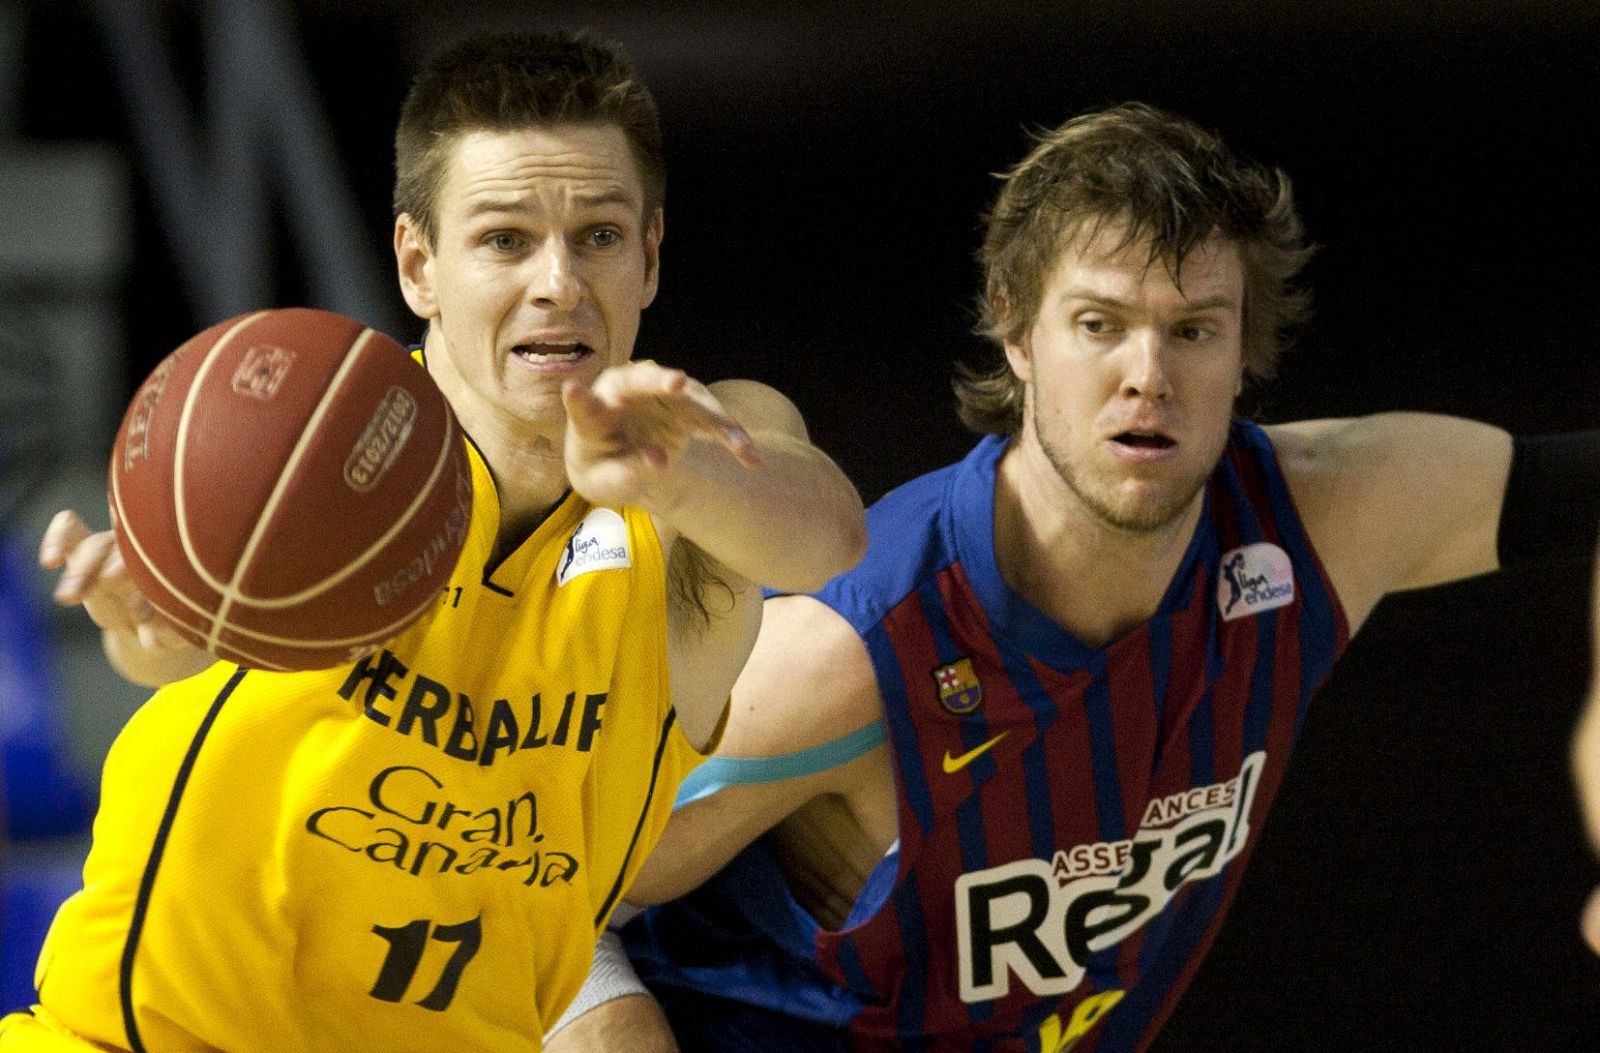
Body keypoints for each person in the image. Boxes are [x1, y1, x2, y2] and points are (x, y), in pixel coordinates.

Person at [552, 102, 1600, 1051]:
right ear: (1015, 333)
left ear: (1246, 354)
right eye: (1100, 326)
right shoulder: (856, 651)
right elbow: (531, 891)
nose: (1149, 374)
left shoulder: (1323, 519)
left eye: (1193, 331)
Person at [0, 30, 865, 1053]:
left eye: (598, 236)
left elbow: (822, 537)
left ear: (650, 258)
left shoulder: (699, 466)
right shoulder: (315, 451)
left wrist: (676, 468)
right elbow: (169, 652)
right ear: (419, 264)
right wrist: (151, 615)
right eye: (504, 239)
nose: (557, 281)